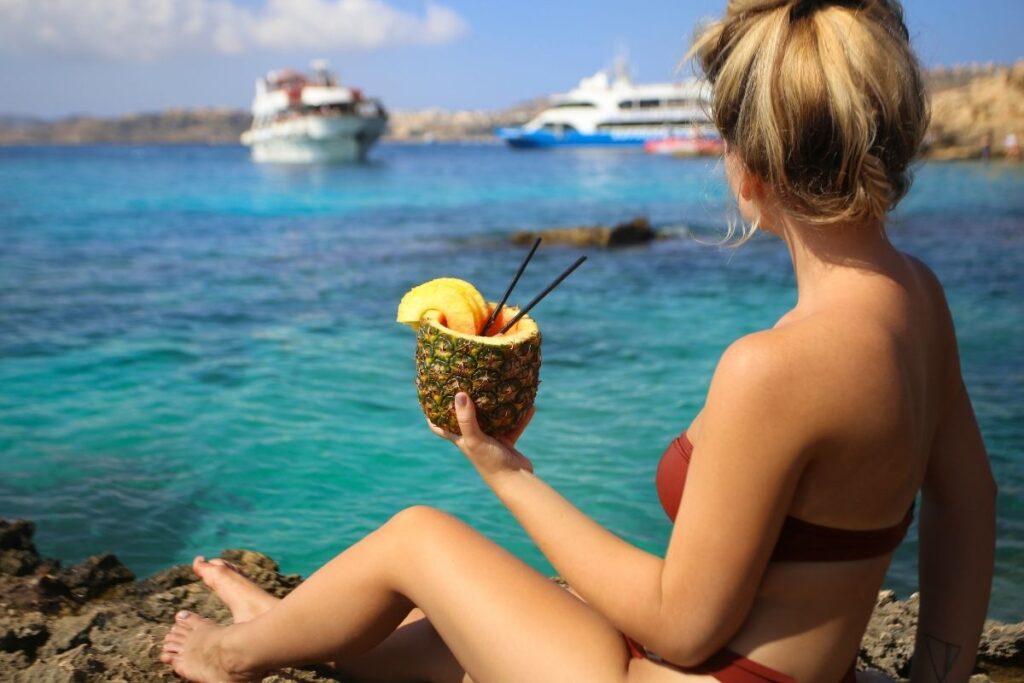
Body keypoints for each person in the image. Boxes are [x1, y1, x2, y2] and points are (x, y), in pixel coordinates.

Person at [160, 1, 996, 681]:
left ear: (749, 171)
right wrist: (937, 672)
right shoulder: (919, 299)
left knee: (419, 537)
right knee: (465, 615)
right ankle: (290, 632)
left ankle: (233, 655)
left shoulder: (770, 368)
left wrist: (502, 470)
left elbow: (684, 623)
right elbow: (968, 501)